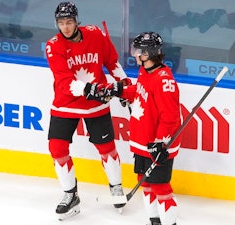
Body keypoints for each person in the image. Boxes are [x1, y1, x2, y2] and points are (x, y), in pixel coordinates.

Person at [44, 1, 130, 220]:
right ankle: (70, 195)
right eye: (61, 23)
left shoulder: (95, 34)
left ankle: (116, 187)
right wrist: (93, 89)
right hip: (66, 103)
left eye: (69, 22)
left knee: (106, 147)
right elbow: (65, 82)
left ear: (77, 22)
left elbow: (112, 62)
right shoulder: (53, 46)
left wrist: (124, 86)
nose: (65, 27)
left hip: (95, 105)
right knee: (57, 148)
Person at [94, 32, 181, 225]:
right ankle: (155, 220)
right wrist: (118, 90)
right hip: (143, 140)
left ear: (149, 53)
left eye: (139, 51)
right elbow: (140, 93)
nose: (135, 54)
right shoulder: (146, 71)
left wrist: (161, 143)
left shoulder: (164, 81)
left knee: (161, 187)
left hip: (157, 144)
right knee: (145, 181)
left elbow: (171, 117)